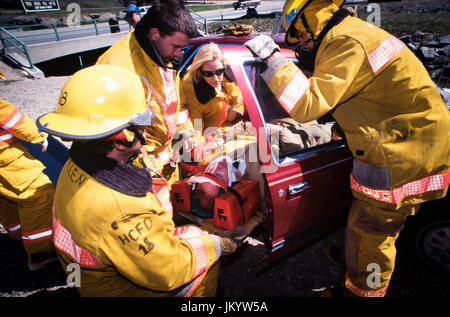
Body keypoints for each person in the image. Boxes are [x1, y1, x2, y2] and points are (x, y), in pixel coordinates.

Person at [245, 0, 450, 297]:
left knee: (373, 234)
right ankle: (356, 261)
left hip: (402, 155)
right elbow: (366, 95)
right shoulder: (355, 33)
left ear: (309, 20)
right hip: (412, 143)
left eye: (301, 35)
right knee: (363, 224)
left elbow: (305, 104)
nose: (304, 42)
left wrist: (272, 58)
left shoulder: (344, 42)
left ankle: (361, 291)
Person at [37, 64, 238, 297]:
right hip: (127, 289)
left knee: (194, 234)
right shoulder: (120, 212)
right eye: (142, 120)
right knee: (204, 264)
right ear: (121, 141)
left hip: (95, 277)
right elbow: (170, 271)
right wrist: (217, 245)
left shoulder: (78, 163)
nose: (147, 127)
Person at [96, 0, 197, 188]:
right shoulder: (116, 68)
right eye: (176, 46)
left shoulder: (161, 54)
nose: (178, 54)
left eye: (182, 48)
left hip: (165, 160)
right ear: (154, 34)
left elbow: (172, 102)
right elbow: (113, 137)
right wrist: (148, 166)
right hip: (140, 170)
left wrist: (185, 133)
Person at [0, 97, 56, 271]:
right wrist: (38, 137)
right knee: (39, 194)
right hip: (5, 160)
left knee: (5, 198)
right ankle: (41, 253)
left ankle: (18, 233)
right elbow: (14, 120)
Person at [180, 43, 245, 134]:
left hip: (231, 127)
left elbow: (238, 96)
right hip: (212, 136)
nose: (215, 78)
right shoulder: (193, 91)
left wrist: (235, 110)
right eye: (208, 74)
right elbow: (197, 130)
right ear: (199, 71)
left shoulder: (228, 76)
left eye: (219, 72)